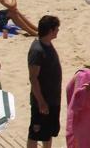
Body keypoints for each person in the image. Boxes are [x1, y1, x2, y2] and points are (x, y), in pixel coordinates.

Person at [27, 15, 62, 148]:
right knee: (35, 134)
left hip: (52, 99)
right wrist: (41, 102)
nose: (58, 30)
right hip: (42, 101)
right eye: (57, 28)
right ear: (51, 30)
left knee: (48, 133)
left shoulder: (47, 44)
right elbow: (33, 78)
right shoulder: (37, 50)